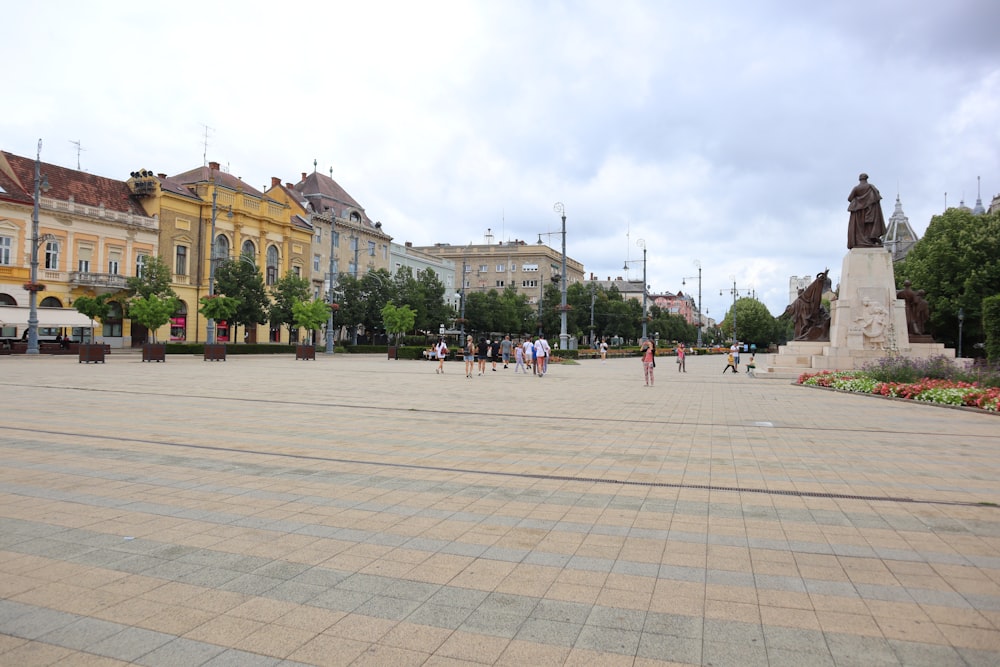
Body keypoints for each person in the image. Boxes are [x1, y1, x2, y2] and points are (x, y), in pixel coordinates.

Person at [847, 173, 887, 249]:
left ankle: (861, 242)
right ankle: (870, 241)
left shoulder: (856, 188)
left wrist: (858, 200)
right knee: (869, 228)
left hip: (858, 212)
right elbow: (877, 197)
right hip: (870, 211)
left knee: (860, 229)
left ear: (859, 179)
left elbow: (849, 198)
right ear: (866, 179)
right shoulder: (871, 187)